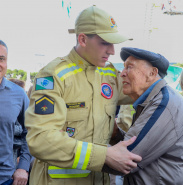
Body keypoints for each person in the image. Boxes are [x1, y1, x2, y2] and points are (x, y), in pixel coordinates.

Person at [25, 5, 142, 185]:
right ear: (83, 39)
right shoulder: (53, 75)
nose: (112, 51)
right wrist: (104, 155)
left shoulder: (109, 74)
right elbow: (40, 139)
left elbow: (143, 91)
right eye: (105, 42)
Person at [103, 47, 183, 184]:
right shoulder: (155, 99)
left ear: (152, 73)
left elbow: (127, 158)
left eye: (129, 67)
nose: (122, 73)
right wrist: (116, 134)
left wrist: (79, 149)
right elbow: (142, 144)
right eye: (123, 68)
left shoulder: (163, 104)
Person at [0, 40, 32, 185]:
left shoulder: (19, 94)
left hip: (5, 178)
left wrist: (23, 167)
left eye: (2, 59)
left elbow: (30, 132)